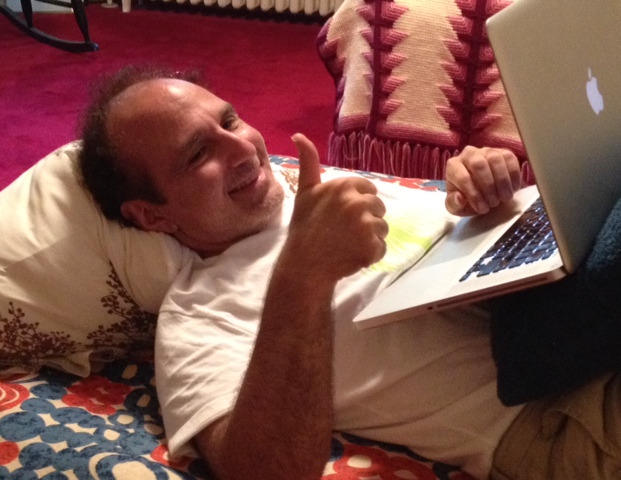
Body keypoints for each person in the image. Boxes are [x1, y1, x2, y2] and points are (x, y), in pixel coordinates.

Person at [78, 66, 621, 480]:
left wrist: (483, 193)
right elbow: (260, 471)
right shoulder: (196, 314)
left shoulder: (330, 188)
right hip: (564, 411)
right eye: (199, 154)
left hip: (569, 308)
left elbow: (460, 248)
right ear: (151, 215)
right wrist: (303, 273)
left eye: (229, 121)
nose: (243, 148)